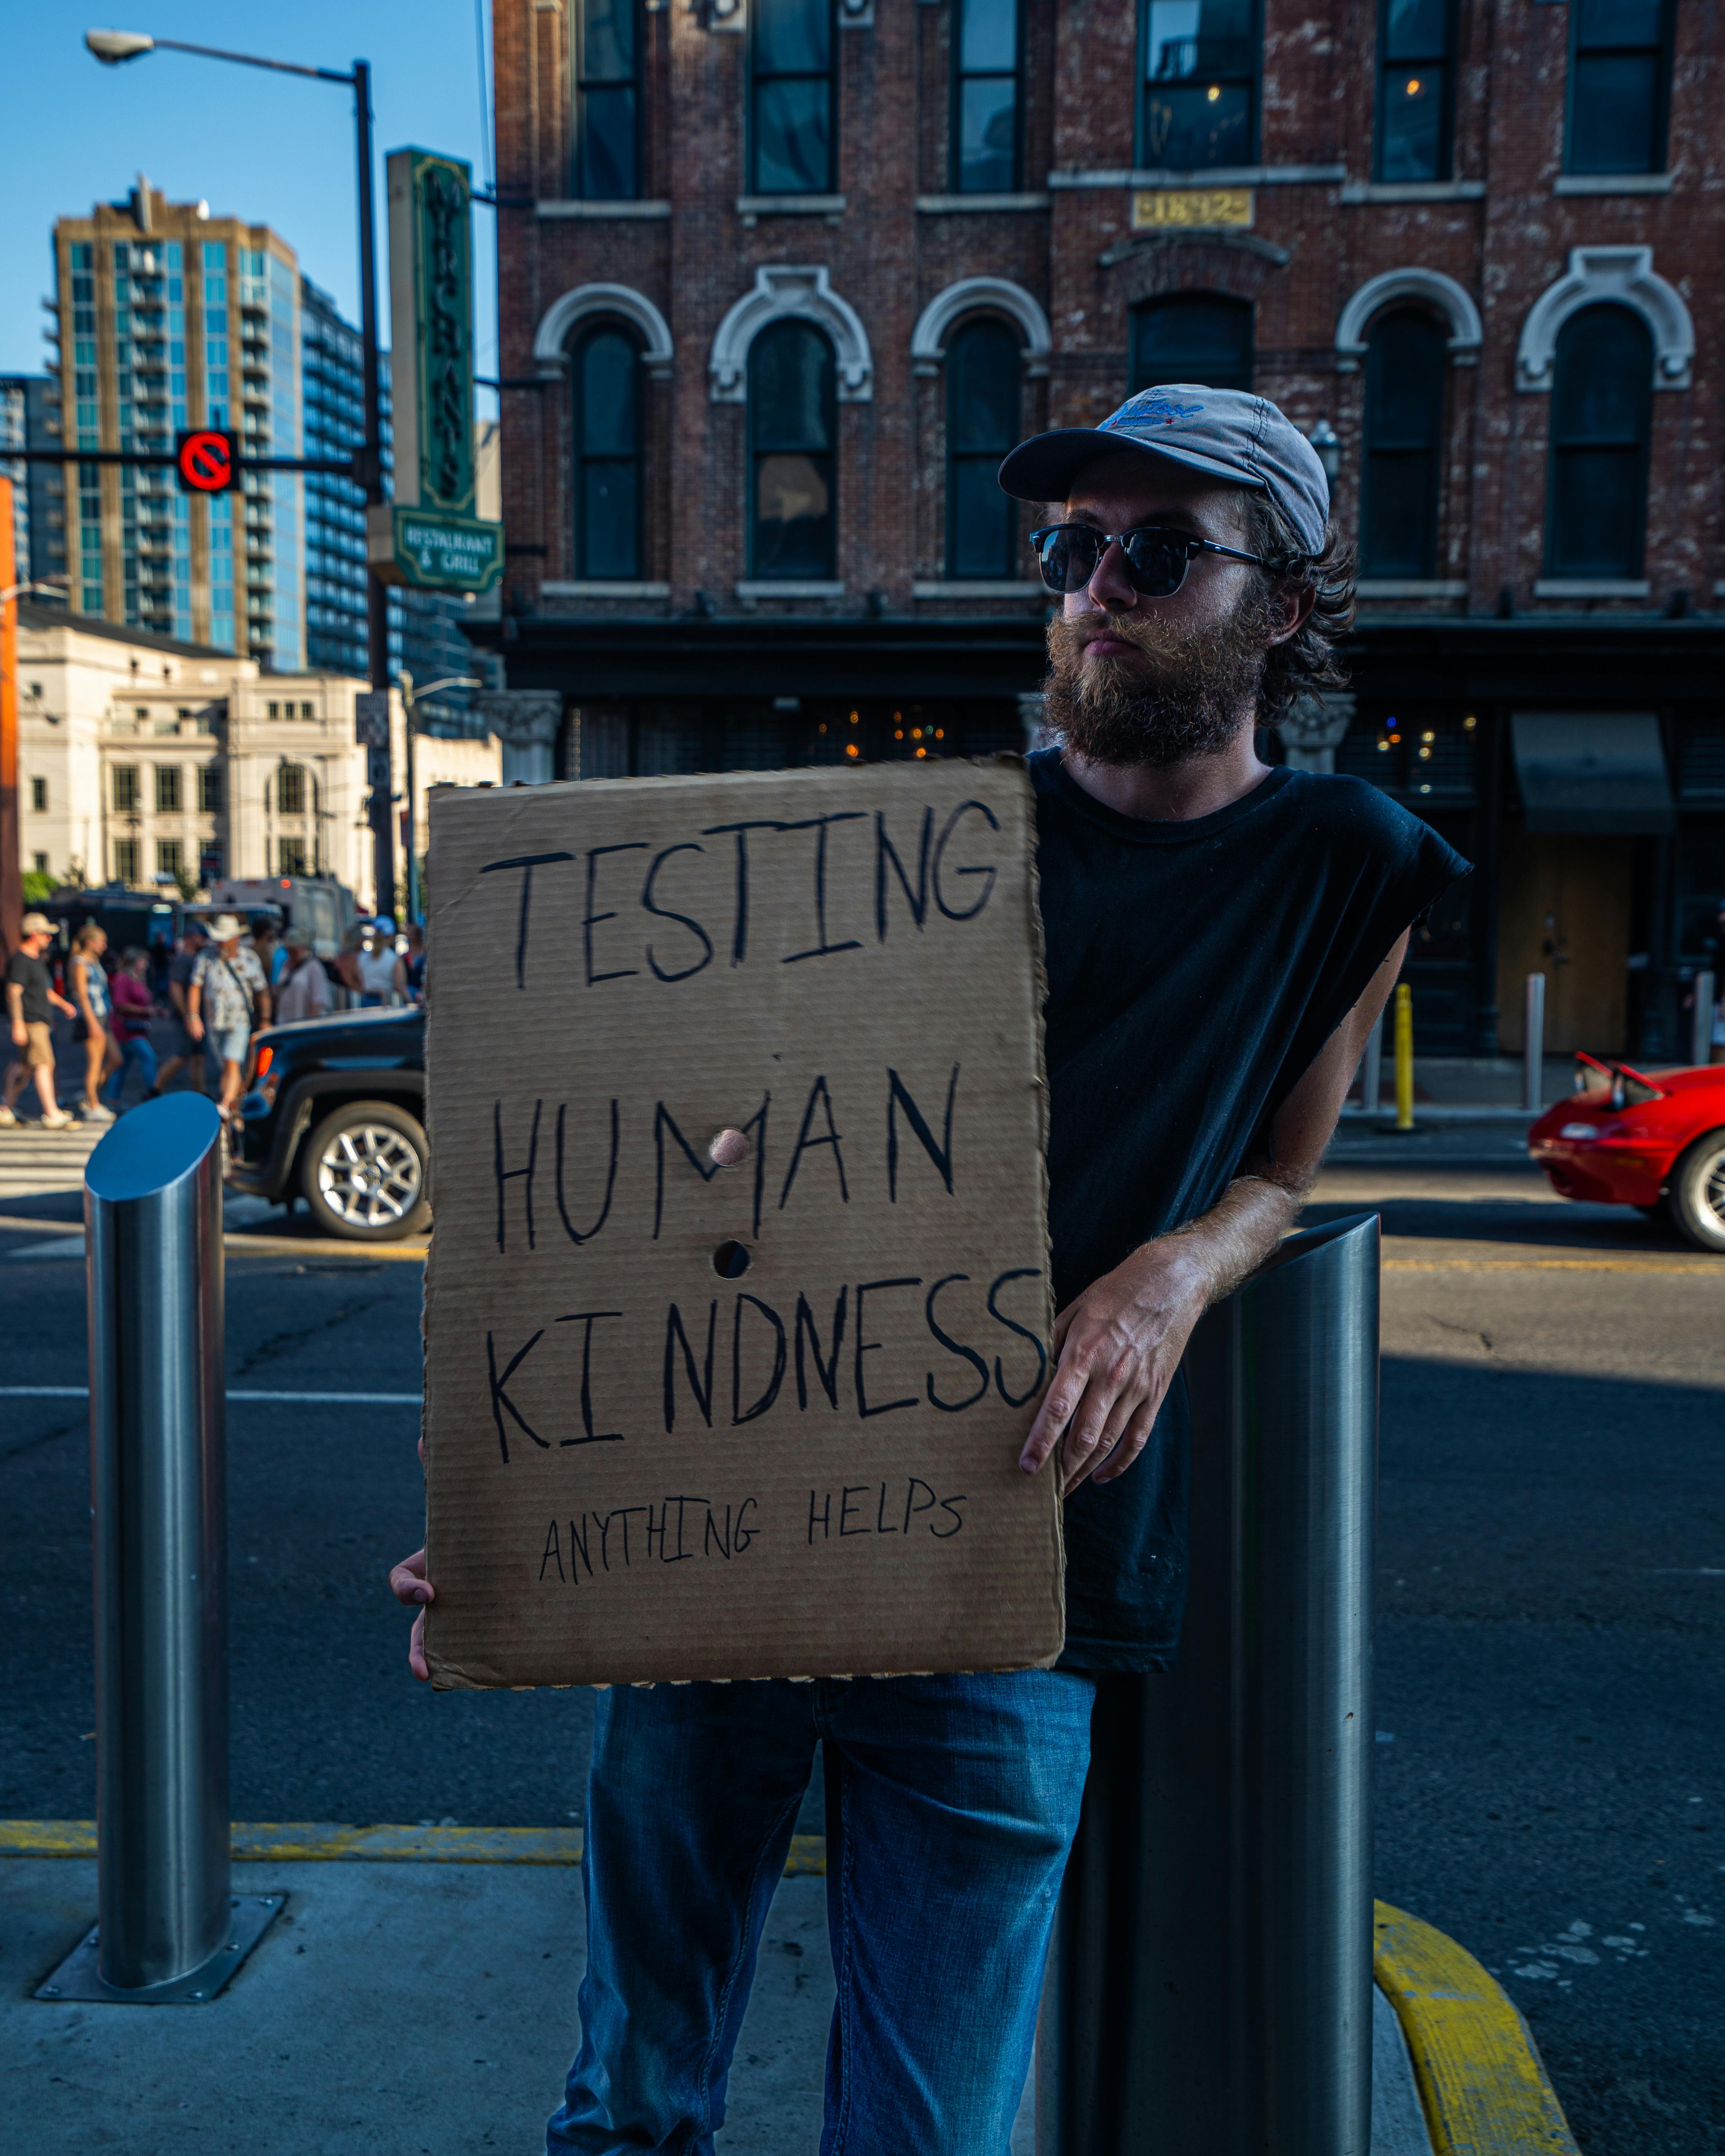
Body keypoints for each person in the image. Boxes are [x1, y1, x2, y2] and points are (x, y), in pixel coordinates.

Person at [390, 386, 1470, 2153]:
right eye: (1068, 550)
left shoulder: (1347, 865)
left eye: (1156, 552)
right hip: (720, 1546)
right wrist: (526, 1498)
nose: (1094, 587)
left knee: (930, 2134)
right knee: (631, 2097)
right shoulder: (918, 847)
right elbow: (707, 1171)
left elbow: (1285, 1164)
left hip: (1010, 1568)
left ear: (1277, 603)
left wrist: (1174, 1273)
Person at [186, 912, 271, 1120]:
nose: (220, 943)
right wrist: (193, 1016)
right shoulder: (206, 957)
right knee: (226, 1065)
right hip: (215, 1020)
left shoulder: (250, 958)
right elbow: (195, 986)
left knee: (232, 1062)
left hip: (239, 1020)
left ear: (236, 939)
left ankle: (225, 1105)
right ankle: (234, 1103)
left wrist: (266, 1019)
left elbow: (262, 991)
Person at [1, 912, 78, 1129]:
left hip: (38, 1020)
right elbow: (13, 992)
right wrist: (18, 1023)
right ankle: (51, 1114)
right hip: (31, 1021)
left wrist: (63, 1004)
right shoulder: (21, 960)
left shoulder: (34, 960)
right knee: (45, 1064)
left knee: (25, 1067)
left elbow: (43, 990)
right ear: (34, 934)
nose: (49, 938)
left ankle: (6, 1109)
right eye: (46, 934)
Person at [67, 921, 119, 1122]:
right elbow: (82, 995)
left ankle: (90, 1093)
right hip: (91, 1017)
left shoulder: (94, 962)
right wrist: (92, 1023)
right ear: (90, 942)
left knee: (116, 1059)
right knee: (95, 1063)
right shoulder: (80, 963)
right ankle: (93, 1104)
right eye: (101, 942)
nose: (104, 946)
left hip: (102, 1016)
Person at [152, 922, 209, 1097]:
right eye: (202, 937)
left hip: (196, 1015)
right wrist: (188, 1015)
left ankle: (201, 1093)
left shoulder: (195, 958)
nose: (205, 941)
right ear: (192, 938)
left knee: (198, 1056)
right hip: (187, 1016)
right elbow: (175, 989)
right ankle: (155, 1089)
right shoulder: (184, 959)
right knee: (183, 1055)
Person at [103, 946, 159, 1111]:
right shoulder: (123, 979)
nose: (146, 964)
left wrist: (154, 1011)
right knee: (149, 1058)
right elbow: (120, 1005)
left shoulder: (139, 979)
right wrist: (145, 1011)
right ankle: (154, 1094)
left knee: (123, 1065)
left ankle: (112, 1099)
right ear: (134, 962)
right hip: (127, 1029)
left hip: (138, 1028)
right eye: (143, 961)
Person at [273, 928, 333, 1024]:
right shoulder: (285, 965)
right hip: (284, 1024)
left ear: (304, 948)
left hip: (303, 1026)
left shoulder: (314, 967)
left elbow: (319, 1001)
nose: (291, 954)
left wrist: (310, 1025)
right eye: (289, 950)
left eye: (294, 950)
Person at [355, 916, 408, 1007]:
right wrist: (410, 1001)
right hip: (387, 1001)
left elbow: (360, 982)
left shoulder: (362, 957)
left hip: (366, 1002)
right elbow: (400, 986)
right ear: (391, 936)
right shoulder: (394, 959)